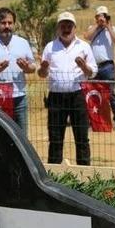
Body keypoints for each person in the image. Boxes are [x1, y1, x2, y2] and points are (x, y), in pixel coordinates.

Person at [38, 12, 98, 165]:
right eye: (63, 26)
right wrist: (43, 68)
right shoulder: (50, 47)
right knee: (55, 138)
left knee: (82, 138)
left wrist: (84, 67)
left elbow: (93, 72)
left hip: (77, 96)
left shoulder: (84, 46)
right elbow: (42, 74)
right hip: (56, 97)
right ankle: (54, 174)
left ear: (75, 28)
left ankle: (85, 174)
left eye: (69, 25)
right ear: (58, 28)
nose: (66, 29)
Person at [84, 5, 115, 128]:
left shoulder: (112, 29)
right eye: (99, 16)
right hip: (93, 66)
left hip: (107, 66)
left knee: (110, 93)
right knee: (92, 93)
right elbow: (87, 36)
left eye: (104, 16)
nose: (101, 19)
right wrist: (97, 25)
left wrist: (108, 26)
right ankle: (94, 120)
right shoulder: (92, 28)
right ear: (96, 17)